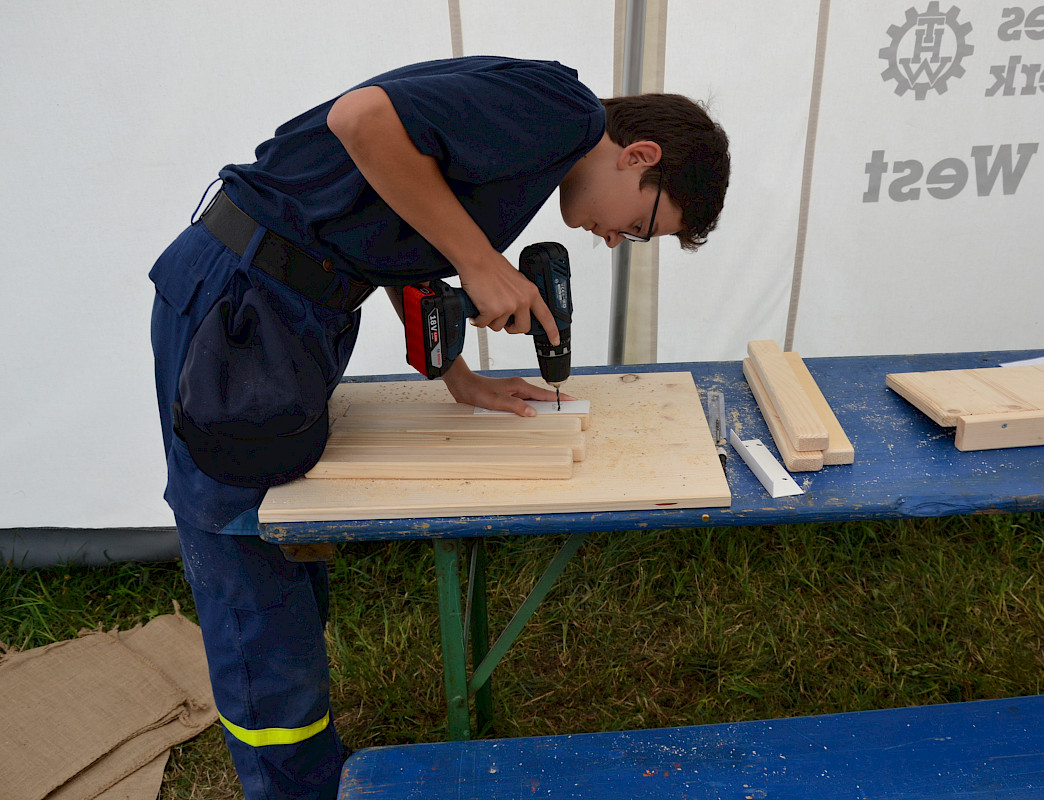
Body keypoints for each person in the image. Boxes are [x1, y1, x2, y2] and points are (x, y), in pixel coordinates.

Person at [149, 55, 730, 800]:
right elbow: (362, 121)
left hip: (291, 305)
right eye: (643, 227)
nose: (617, 240)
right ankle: (289, 784)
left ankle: (305, 757)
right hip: (244, 301)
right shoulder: (562, 111)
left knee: (283, 538)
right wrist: (478, 261)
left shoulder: (536, 144)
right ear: (638, 156)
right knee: (244, 551)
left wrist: (457, 373)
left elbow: (391, 214)